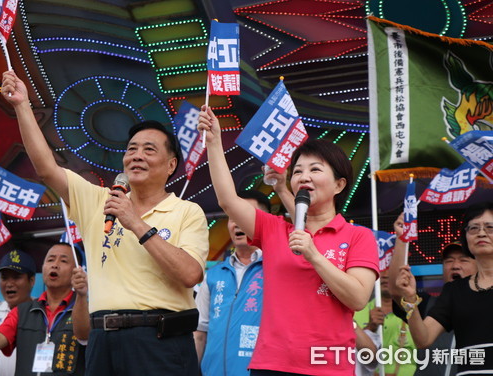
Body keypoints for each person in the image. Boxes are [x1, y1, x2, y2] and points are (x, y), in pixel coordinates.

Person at [1, 70, 209, 375]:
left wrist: (135, 222)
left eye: (149, 150)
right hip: (103, 342)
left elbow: (190, 273)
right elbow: (46, 168)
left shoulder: (188, 212)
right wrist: (22, 106)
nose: (136, 156)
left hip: (160, 343)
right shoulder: (98, 200)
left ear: (171, 165)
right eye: (131, 149)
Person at [198, 106, 379, 376]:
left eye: (315, 169)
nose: (304, 176)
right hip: (271, 364)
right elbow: (227, 200)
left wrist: (314, 255)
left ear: (339, 185)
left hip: (327, 367)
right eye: (297, 171)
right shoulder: (274, 229)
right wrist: (213, 142)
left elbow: (357, 298)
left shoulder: (358, 236)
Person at [396, 202, 493, 375]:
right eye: (473, 228)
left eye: (489, 227)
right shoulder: (454, 291)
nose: (481, 233)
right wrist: (410, 298)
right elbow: (423, 339)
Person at [0, 243, 87, 375]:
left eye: (63, 260)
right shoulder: (22, 311)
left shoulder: (87, 310)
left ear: (77, 271)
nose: (55, 264)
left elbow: (84, 334)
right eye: (50, 260)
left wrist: (81, 295)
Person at [194, 189, 271, 376]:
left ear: (267, 220)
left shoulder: (277, 271)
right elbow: (199, 333)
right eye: (232, 217)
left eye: (245, 214)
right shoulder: (212, 276)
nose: (238, 222)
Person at [355, 270, 417, 376]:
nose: (384, 275)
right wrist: (370, 329)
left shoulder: (414, 313)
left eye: (390, 269)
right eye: (381, 270)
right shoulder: (356, 312)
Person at [0, 249, 37, 376]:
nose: (9, 284)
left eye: (17, 277)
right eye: (4, 278)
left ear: (32, 281)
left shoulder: (41, 312)